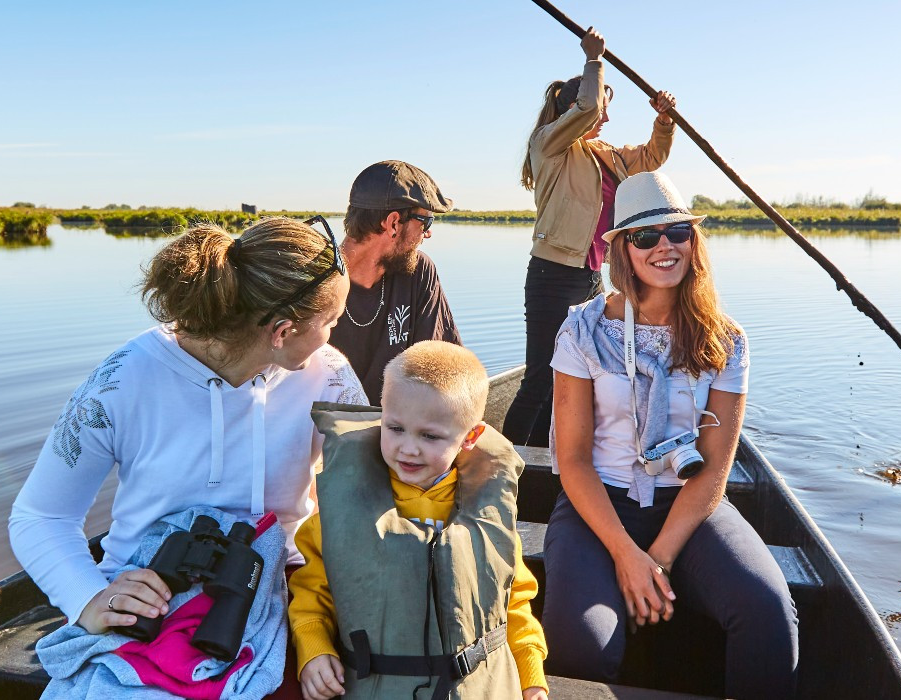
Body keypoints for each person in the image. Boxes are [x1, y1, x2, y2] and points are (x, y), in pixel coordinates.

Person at [9, 217, 366, 679]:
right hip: (149, 597)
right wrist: (89, 598)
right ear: (281, 332)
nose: (331, 337)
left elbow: (376, 483)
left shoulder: (329, 375)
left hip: (284, 588)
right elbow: (41, 516)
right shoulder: (121, 380)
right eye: (330, 322)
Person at [541, 172, 797, 698]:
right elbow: (573, 461)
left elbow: (715, 470)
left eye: (676, 232)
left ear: (692, 242)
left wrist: (656, 560)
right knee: (580, 647)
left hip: (689, 502)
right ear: (622, 251)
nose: (664, 246)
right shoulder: (583, 331)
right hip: (598, 504)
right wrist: (625, 555)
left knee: (767, 612)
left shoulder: (726, 340)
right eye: (644, 236)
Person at [290, 341, 548, 700]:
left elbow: (513, 605)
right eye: (395, 428)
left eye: (429, 436)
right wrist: (314, 648)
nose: (408, 448)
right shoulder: (340, 513)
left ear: (471, 436)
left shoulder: (490, 518)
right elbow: (311, 595)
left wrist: (531, 675)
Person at [502, 27, 678, 447]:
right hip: (552, 276)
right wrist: (594, 60)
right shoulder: (548, 145)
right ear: (576, 110)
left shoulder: (603, 156)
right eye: (602, 109)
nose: (605, 118)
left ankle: (546, 457)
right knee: (540, 376)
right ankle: (505, 463)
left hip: (588, 278)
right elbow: (585, 108)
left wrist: (664, 121)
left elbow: (651, 157)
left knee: (572, 372)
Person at [330, 160, 462, 405]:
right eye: (426, 222)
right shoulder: (316, 281)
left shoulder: (419, 271)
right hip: (322, 435)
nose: (428, 233)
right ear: (392, 223)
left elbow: (441, 368)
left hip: (396, 431)